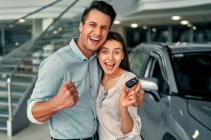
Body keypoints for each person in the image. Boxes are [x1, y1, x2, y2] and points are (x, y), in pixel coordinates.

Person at [27, 1, 144, 139]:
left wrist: (138, 92)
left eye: (104, 28)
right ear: (81, 26)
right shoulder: (58, 62)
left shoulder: (99, 59)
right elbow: (32, 113)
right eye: (92, 25)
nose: (97, 33)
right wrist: (57, 103)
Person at [96, 32, 141, 140]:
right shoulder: (96, 77)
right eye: (105, 51)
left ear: (122, 55)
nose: (110, 58)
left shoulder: (128, 81)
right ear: (98, 54)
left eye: (116, 52)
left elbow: (129, 131)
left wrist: (123, 107)